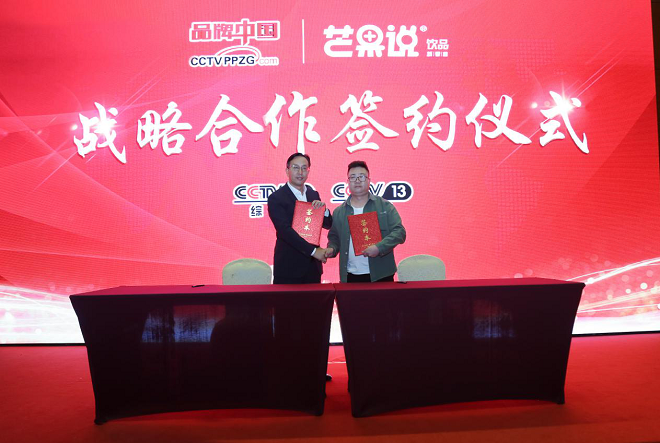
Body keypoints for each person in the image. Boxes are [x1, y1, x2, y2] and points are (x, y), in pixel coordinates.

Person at [325, 161, 406, 282]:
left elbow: (399, 232)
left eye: (361, 176)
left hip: (381, 274)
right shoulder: (339, 212)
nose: (357, 181)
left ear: (369, 180)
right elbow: (334, 239)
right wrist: (331, 249)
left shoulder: (384, 206)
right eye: (353, 177)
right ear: (348, 182)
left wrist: (379, 248)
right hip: (350, 275)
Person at [267, 153, 332, 284]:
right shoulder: (277, 198)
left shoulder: (313, 194)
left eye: (304, 168)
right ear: (287, 170)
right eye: (296, 167)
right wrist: (314, 251)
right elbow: (284, 231)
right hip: (288, 267)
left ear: (308, 171)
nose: (300, 172)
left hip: (312, 268)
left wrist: (324, 211)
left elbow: (328, 224)